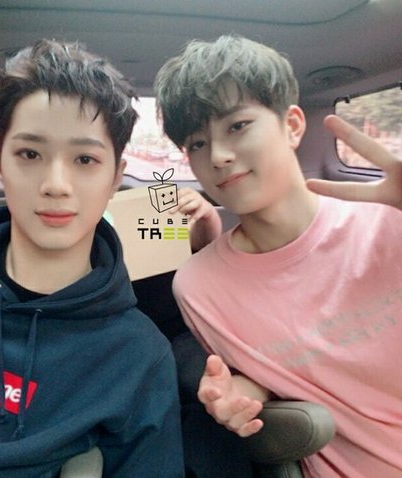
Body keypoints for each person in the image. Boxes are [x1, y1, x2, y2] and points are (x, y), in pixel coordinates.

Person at [0, 39, 184, 477]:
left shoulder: (138, 357)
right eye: (30, 154)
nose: (56, 184)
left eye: (85, 159)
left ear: (115, 178)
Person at [155, 34, 402, 477]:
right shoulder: (198, 287)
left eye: (237, 126)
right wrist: (244, 392)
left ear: (292, 125)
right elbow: (271, 369)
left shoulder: (388, 222)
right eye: (197, 143)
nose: (219, 156)